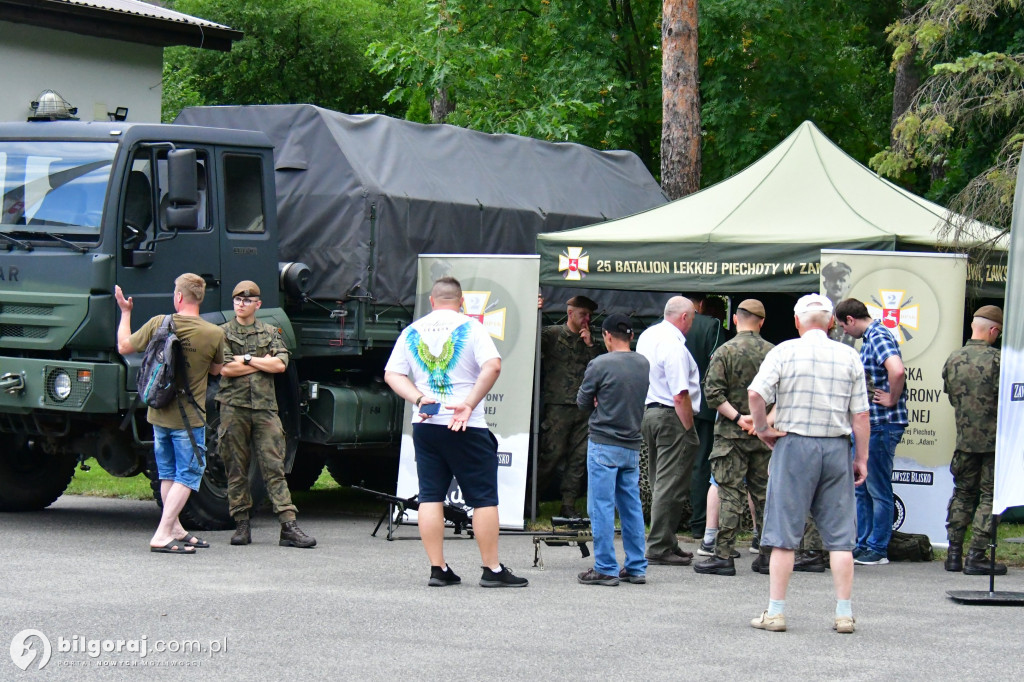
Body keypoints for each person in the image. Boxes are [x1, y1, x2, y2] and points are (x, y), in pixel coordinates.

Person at [384, 276, 528, 588]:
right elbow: (493, 366)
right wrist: (467, 403)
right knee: (483, 498)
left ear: (432, 302)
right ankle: (492, 568)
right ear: (461, 302)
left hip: (425, 424)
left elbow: (392, 373)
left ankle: (439, 568)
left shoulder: (412, 331)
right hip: (465, 424)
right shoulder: (471, 328)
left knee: (431, 496)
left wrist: (419, 398)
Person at [748, 293, 869, 634]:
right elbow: (860, 414)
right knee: (841, 537)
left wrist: (762, 429)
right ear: (832, 322)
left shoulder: (784, 351)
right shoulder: (848, 355)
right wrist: (861, 457)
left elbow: (756, 394)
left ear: (798, 321)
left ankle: (776, 612)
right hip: (835, 447)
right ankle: (844, 613)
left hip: (794, 444)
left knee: (784, 534)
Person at [115, 274, 224, 554]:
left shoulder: (159, 323)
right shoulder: (214, 334)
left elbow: (124, 346)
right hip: (190, 419)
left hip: (158, 413)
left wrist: (125, 313)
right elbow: (216, 371)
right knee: (188, 474)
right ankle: (163, 533)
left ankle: (174, 527)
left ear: (178, 297)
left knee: (168, 473)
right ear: (200, 298)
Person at [217, 281, 316, 549]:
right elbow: (225, 369)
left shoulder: (271, 332)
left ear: (257, 304)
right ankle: (241, 524)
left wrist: (246, 360)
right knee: (236, 467)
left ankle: (288, 526)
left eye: (247, 301)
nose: (241, 304)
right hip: (233, 407)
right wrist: (261, 363)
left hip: (265, 409)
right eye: (237, 300)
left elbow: (280, 364)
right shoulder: (222, 332)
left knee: (274, 466)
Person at [694, 299, 773, 576]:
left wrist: (739, 419)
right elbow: (781, 394)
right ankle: (766, 555)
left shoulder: (724, 351)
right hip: (763, 435)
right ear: (762, 322)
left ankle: (723, 555)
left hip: (730, 435)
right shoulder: (774, 353)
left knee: (729, 493)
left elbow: (713, 394)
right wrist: (760, 423)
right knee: (763, 495)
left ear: (736, 320)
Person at [575, 314, 650, 586]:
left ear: (606, 335)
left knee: (601, 506)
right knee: (631, 506)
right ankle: (636, 566)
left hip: (604, 441)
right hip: (631, 443)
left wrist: (597, 399)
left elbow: (582, 401)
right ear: (631, 336)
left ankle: (605, 566)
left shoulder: (600, 364)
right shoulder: (643, 363)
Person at [836, 298, 908, 565]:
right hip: (874, 423)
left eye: (844, 326)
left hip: (882, 422)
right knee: (862, 486)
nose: (845, 332)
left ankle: (878, 548)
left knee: (877, 486)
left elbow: (897, 370)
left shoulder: (877, 335)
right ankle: (864, 543)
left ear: (851, 320)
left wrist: (892, 398)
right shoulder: (872, 337)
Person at [636, 296, 702, 566]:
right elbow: (680, 394)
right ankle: (659, 544)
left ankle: (666, 539)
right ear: (684, 317)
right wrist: (688, 427)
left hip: (648, 412)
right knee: (670, 483)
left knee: (659, 480)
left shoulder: (648, 336)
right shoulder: (674, 345)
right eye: (693, 318)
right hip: (670, 414)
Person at [942, 305, 1006, 575]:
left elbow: (950, 394)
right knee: (990, 496)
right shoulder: (997, 360)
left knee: (962, 494)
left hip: (964, 442)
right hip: (993, 444)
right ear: (993, 330)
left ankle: (954, 554)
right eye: (998, 332)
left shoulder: (953, 359)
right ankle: (977, 555)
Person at [538, 295, 603, 517]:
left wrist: (590, 345)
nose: (586, 319)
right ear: (570, 313)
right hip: (558, 406)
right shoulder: (553, 335)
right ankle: (532, 499)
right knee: (552, 454)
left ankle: (568, 504)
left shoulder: (591, 341)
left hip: (584, 408)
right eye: (582, 314)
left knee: (578, 458)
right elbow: (530, 340)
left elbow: (600, 367)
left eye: (589, 315)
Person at [686, 295, 727, 539]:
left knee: (667, 466)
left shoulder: (656, 326)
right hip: (701, 406)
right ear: (699, 306)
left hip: (666, 405)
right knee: (701, 464)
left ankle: (665, 523)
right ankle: (698, 524)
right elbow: (717, 366)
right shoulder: (711, 325)